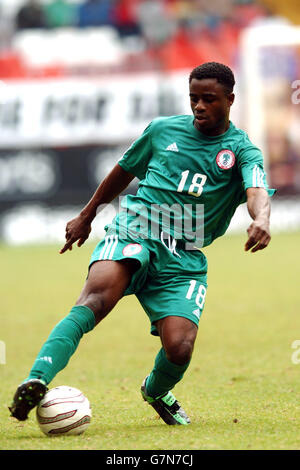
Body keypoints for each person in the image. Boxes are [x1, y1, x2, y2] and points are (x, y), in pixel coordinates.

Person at [9, 62, 275, 426]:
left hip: (184, 254)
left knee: (179, 347)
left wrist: (261, 219)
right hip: (137, 227)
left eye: (208, 99)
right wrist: (87, 215)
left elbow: (256, 191)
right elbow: (123, 170)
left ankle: (155, 390)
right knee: (96, 297)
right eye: (193, 98)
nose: (198, 106)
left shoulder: (242, 150)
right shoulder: (162, 130)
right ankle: (36, 379)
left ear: (230, 99)